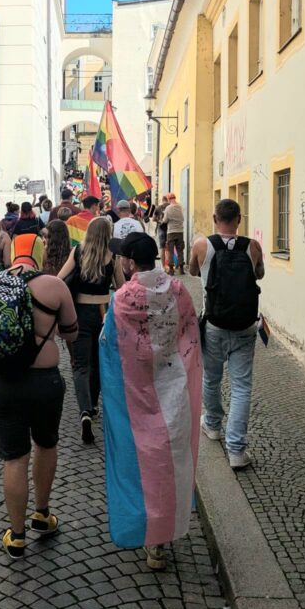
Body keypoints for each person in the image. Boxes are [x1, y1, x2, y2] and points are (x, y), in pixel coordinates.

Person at [99, 232, 201, 571]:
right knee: (168, 459)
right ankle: (161, 538)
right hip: (173, 385)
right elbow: (189, 330)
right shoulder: (178, 290)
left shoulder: (123, 298)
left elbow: (110, 346)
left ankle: (150, 531)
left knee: (144, 461)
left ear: (129, 262)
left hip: (137, 391)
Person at [0, 265, 79, 559]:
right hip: (44, 381)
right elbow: (72, 333)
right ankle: (42, 515)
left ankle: (17, 536)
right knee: (46, 444)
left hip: (1, 383)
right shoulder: (55, 286)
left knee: (14, 457)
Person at [189, 197, 265, 469]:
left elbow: (191, 270)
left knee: (211, 378)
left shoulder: (202, 245)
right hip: (245, 326)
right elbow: (260, 274)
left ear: (214, 218)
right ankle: (236, 450)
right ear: (239, 220)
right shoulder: (253, 246)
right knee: (242, 386)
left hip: (214, 325)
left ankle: (212, 425)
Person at [58, 216, 124, 443]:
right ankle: (94, 404)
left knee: (80, 365)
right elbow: (123, 288)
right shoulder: (112, 257)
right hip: (104, 314)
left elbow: (59, 280)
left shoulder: (78, 252)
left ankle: (85, 411)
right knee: (98, 361)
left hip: (79, 313)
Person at [163, 193, 185, 275]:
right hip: (180, 231)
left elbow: (165, 220)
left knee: (170, 251)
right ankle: (181, 269)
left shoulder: (168, 208)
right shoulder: (180, 207)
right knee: (180, 250)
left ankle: (171, 270)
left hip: (171, 232)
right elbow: (182, 218)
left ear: (169, 199)